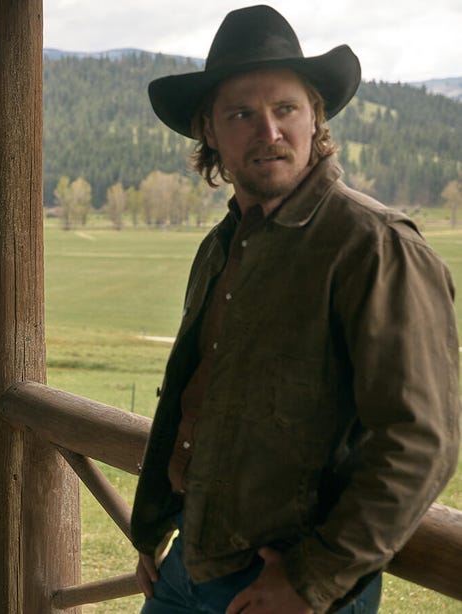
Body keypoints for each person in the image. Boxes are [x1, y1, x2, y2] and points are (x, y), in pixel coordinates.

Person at [131, 5, 460, 613]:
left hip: (290, 586)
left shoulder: (373, 246)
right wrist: (152, 524)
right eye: (241, 114)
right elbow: (194, 396)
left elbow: (421, 441)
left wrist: (310, 580)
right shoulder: (223, 245)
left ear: (316, 117)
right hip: (186, 562)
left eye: (285, 109)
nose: (268, 131)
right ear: (210, 130)